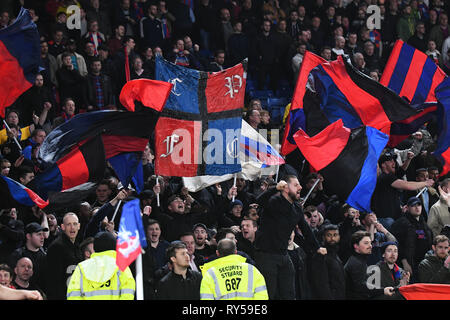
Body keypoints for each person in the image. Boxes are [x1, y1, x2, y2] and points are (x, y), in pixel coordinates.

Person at [253, 176, 325, 300]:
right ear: (286, 188)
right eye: (296, 185)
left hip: (283, 254)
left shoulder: (296, 207)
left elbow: (306, 229)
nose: (300, 187)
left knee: (289, 293)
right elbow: (259, 201)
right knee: (269, 294)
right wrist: (274, 188)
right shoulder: (274, 201)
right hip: (266, 254)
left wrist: (317, 247)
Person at [371, 151, 434, 230]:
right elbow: (407, 185)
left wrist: (408, 159)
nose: (394, 163)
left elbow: (401, 171)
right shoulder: (386, 177)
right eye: (390, 161)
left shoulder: (389, 176)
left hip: (393, 219)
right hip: (387, 220)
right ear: (383, 165)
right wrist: (425, 183)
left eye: (394, 160)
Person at [67, 231, 135, 300]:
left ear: (95, 247)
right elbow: (128, 293)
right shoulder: (121, 266)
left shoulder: (81, 267)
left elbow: (73, 295)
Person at [200, 238, 268, 300]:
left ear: (217, 253)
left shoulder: (210, 274)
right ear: (236, 252)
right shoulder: (252, 270)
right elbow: (262, 296)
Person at [390, 197, 433, 282]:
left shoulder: (424, 223)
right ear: (408, 208)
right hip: (410, 264)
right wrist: (405, 262)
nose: (417, 208)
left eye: (419, 205)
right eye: (413, 205)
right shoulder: (401, 223)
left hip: (424, 264)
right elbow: (397, 244)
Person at [344, 231, 395, 299]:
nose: (370, 246)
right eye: (366, 243)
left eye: (370, 243)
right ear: (356, 246)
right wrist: (383, 290)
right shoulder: (355, 262)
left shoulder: (359, 260)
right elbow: (362, 287)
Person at [45, 212, 83, 300]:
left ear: (79, 226)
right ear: (63, 227)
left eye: (75, 224)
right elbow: (54, 281)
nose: (72, 227)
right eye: (68, 224)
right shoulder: (56, 247)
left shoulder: (77, 245)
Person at [8, 222, 48, 291]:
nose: (42, 237)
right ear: (28, 236)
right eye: (39, 234)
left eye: (42, 234)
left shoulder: (45, 256)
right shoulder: (17, 255)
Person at [310, 224, 346, 300]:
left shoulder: (335, 254)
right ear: (323, 237)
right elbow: (321, 284)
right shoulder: (320, 256)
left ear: (339, 237)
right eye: (329, 235)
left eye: (335, 235)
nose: (332, 238)